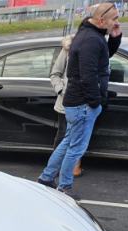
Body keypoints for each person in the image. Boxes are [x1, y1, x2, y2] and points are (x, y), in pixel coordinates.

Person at [37, 2, 121, 197]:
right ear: (101, 20)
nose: (117, 22)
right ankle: (64, 187)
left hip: (78, 103)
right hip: (83, 104)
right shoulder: (90, 39)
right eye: (114, 19)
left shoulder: (92, 35)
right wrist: (95, 103)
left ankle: (46, 177)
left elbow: (103, 56)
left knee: (68, 142)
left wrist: (115, 38)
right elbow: (87, 75)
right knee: (75, 149)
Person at [49, 36, 83, 178]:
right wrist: (62, 90)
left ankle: (74, 164)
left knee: (80, 135)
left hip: (85, 101)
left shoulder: (96, 46)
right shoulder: (69, 47)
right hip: (66, 101)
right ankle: (54, 169)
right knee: (63, 135)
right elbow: (55, 74)